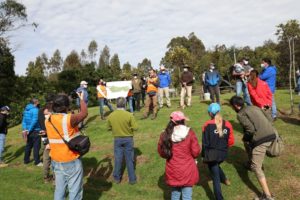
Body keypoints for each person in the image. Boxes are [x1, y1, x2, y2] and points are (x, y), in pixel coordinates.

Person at [230, 96, 276, 200]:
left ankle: (267, 196)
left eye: (232, 106)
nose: (232, 108)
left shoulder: (240, 114)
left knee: (256, 167)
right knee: (247, 143)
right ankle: (250, 162)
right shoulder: (254, 107)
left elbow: (250, 130)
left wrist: (245, 138)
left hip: (262, 139)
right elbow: (269, 119)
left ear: (236, 106)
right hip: (272, 134)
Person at [45, 93, 88, 200]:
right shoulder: (69, 119)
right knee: (75, 191)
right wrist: (81, 99)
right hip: (71, 158)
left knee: (59, 190)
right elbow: (84, 113)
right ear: (66, 106)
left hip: (56, 160)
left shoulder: (48, 119)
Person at [158, 111, 200, 200]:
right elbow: (196, 152)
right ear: (183, 120)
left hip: (173, 169)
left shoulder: (165, 134)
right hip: (188, 168)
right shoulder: (190, 133)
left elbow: (162, 152)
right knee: (187, 196)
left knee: (175, 194)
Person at [202, 103, 234, 200]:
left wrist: (204, 156)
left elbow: (205, 143)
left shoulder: (207, 124)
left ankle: (219, 198)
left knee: (215, 176)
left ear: (210, 113)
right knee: (215, 165)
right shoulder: (228, 124)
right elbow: (231, 141)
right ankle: (225, 179)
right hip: (223, 154)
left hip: (211, 154)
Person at [107, 97, 138, 184]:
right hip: (128, 139)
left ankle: (117, 178)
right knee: (130, 159)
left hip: (117, 139)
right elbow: (136, 128)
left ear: (116, 104)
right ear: (125, 104)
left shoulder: (111, 115)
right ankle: (132, 179)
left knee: (118, 159)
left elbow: (108, 128)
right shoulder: (129, 115)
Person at [38, 94, 55, 183]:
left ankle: (45, 177)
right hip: (52, 136)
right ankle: (55, 178)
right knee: (54, 158)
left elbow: (40, 123)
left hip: (44, 136)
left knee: (46, 157)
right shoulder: (54, 110)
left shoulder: (40, 111)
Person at [22, 98, 43, 166]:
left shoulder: (26, 110)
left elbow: (24, 121)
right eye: (38, 101)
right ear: (35, 102)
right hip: (35, 130)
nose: (39, 103)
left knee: (28, 145)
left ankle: (26, 160)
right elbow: (34, 121)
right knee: (36, 146)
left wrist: (25, 129)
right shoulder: (35, 110)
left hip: (28, 131)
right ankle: (37, 162)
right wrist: (29, 129)